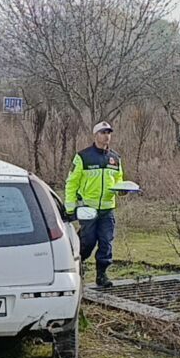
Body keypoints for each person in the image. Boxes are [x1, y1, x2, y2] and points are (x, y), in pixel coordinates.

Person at [65, 121, 125, 288]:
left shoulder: (115, 158)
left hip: (107, 209)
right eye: (103, 132)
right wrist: (70, 208)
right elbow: (72, 183)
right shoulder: (83, 156)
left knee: (106, 242)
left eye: (108, 132)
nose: (106, 135)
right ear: (95, 135)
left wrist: (122, 189)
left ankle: (102, 275)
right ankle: (77, 264)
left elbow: (118, 180)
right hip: (88, 209)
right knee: (88, 241)